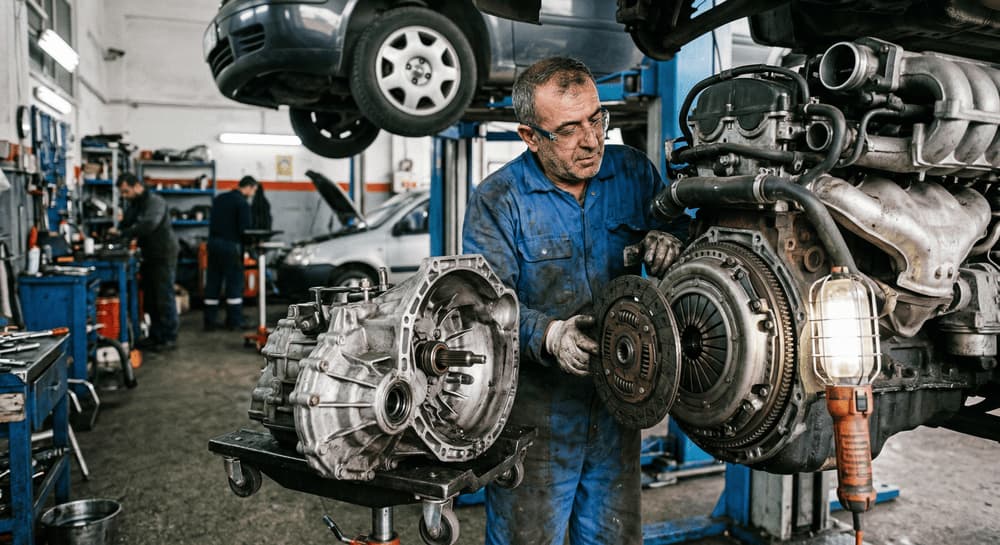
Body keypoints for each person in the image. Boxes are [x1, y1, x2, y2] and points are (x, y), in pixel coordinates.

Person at [462, 57, 684, 544]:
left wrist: (670, 241)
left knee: (613, 536)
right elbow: (484, 310)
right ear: (530, 136)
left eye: (596, 119)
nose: (591, 140)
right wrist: (550, 334)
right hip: (533, 417)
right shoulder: (498, 200)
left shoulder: (632, 172)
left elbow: (683, 235)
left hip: (617, 403)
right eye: (568, 130)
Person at [114, 173, 180, 352]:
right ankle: (155, 335)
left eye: (126, 191)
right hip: (148, 254)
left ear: (137, 186)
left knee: (163, 296)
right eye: (122, 193)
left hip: (163, 254)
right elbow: (127, 222)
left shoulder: (155, 202)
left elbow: (149, 224)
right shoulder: (135, 204)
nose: (125, 196)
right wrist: (118, 231)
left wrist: (125, 233)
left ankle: (169, 337)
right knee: (151, 298)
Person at [203, 175, 257, 330]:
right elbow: (245, 230)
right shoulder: (242, 203)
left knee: (213, 282)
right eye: (254, 190)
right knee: (234, 283)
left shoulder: (219, 198)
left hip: (213, 244)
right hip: (230, 246)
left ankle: (210, 321)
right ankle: (235, 321)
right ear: (248, 187)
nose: (253, 193)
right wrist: (252, 244)